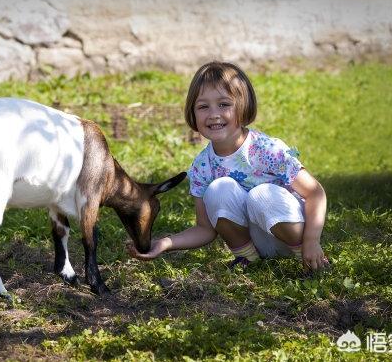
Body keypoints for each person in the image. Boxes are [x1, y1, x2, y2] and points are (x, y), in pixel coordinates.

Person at [128, 61, 329, 271]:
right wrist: (164, 244)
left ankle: (306, 257)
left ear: (243, 107)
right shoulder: (202, 166)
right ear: (193, 114)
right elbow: (205, 229)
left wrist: (311, 241)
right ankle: (247, 258)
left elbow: (315, 193)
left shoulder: (267, 149)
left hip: (292, 236)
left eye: (224, 104)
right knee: (218, 189)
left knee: (261, 194)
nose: (213, 114)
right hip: (256, 243)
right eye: (203, 106)